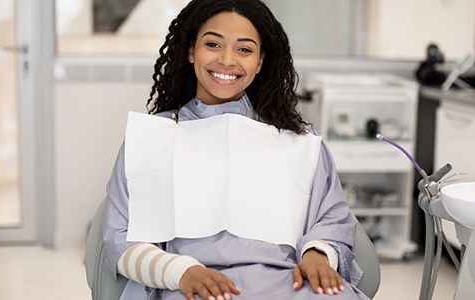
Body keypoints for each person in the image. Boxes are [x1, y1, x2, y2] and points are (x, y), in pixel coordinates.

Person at [102, 0, 368, 299]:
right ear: (191, 51)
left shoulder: (297, 142)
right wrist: (180, 272)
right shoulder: (152, 139)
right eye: (213, 44)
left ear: (260, 60)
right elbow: (120, 237)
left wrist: (318, 254)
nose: (227, 60)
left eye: (244, 49)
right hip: (193, 286)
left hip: (290, 284)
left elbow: (332, 217)